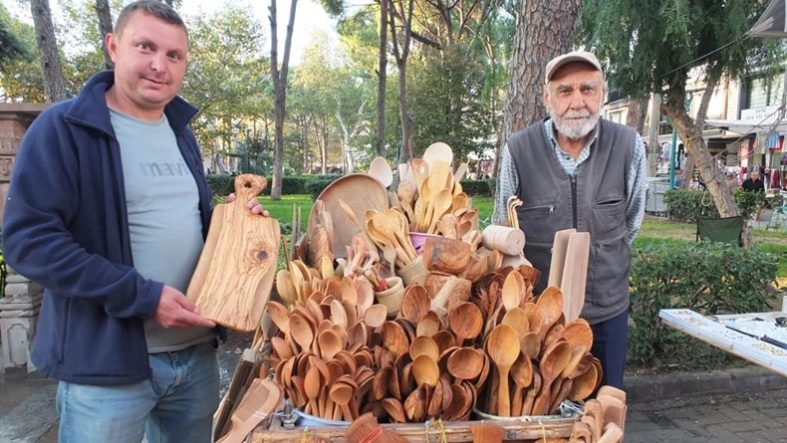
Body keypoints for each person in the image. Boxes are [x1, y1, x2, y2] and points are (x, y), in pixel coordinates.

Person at [2, 2, 266, 442]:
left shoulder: (180, 132)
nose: (159, 65)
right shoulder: (63, 129)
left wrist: (237, 228)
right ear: (113, 47)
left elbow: (179, 222)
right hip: (106, 370)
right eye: (145, 47)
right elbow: (28, 241)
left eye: (174, 55)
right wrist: (141, 296)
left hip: (194, 357)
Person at [493, 50, 646, 389]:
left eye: (587, 89)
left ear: (602, 94)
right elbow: (503, 227)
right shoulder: (519, 150)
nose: (578, 101)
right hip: (538, 319)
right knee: (541, 420)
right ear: (548, 98)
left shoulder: (628, 146)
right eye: (565, 90)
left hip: (607, 314)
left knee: (604, 414)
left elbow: (632, 222)